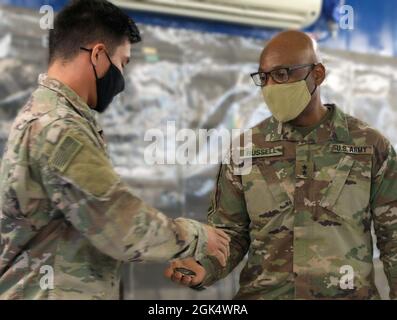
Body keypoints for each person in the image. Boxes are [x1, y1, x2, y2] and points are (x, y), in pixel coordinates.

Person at [0, 0, 229, 300]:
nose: (122, 78)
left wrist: (167, 247)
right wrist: (197, 237)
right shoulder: (59, 127)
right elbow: (119, 222)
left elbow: (89, 224)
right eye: (122, 62)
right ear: (97, 55)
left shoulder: (52, 116)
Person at [164, 30, 397, 300]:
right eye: (264, 77)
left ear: (317, 74)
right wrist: (205, 266)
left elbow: (394, 237)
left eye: (282, 74)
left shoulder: (368, 146)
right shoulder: (246, 149)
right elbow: (231, 234)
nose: (271, 86)